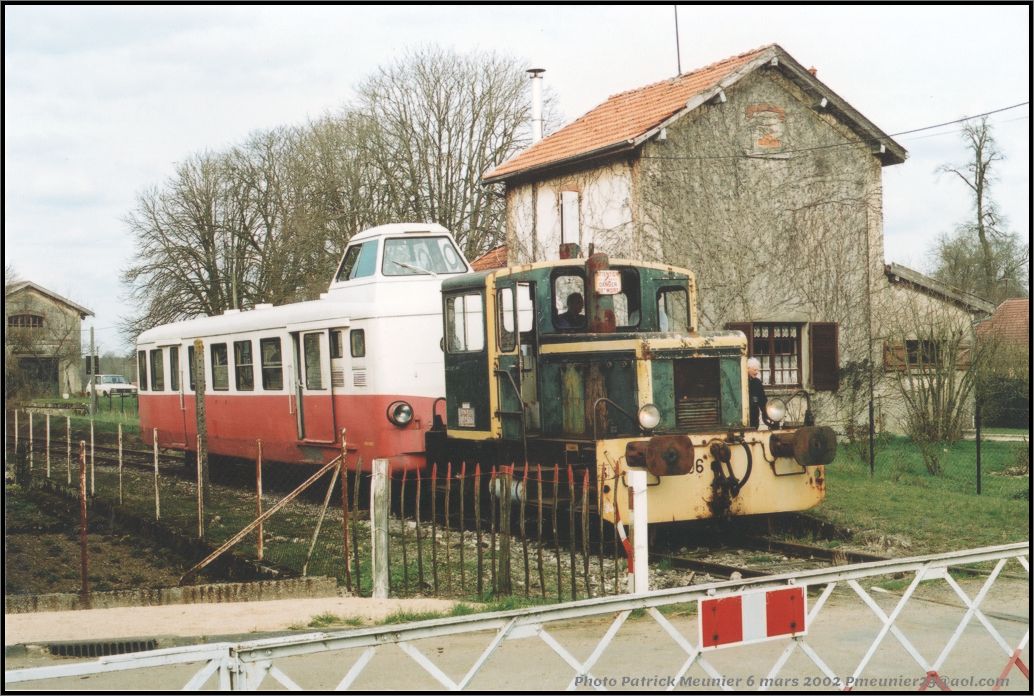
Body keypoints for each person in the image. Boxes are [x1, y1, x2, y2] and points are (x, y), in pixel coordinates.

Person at [747, 357, 772, 429]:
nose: (757, 372)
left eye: (757, 370)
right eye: (755, 370)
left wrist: (768, 414)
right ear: (747, 369)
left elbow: (763, 401)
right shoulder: (740, 381)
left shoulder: (758, 383)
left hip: (754, 420)